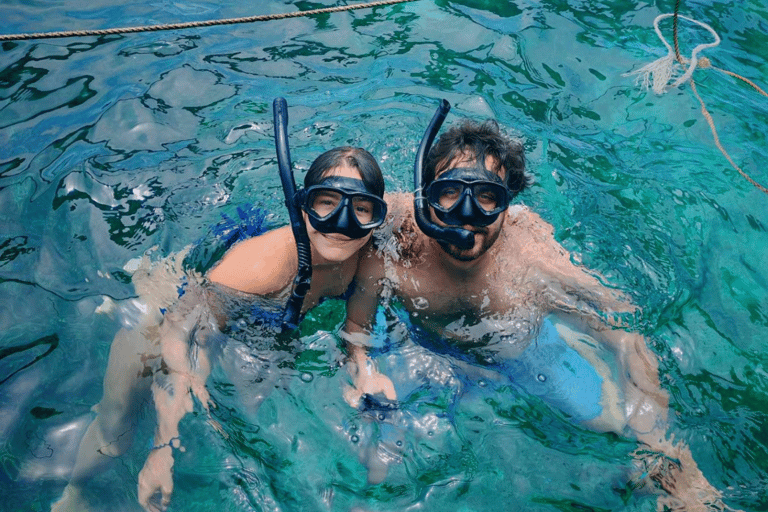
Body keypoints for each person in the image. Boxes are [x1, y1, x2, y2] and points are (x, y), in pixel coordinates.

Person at [343, 105, 729, 510]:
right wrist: (363, 369)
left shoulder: (533, 256)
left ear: (508, 204)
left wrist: (658, 434)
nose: (467, 215)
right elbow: (356, 327)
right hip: (420, 348)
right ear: (427, 197)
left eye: (487, 197)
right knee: (376, 467)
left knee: (616, 425)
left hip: (517, 349)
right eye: (450, 193)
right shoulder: (397, 235)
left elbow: (624, 328)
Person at [52, 143, 388, 512]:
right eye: (327, 202)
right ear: (302, 207)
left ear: (377, 215)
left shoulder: (367, 259)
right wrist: (163, 449)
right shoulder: (261, 266)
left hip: (251, 321)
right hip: (171, 316)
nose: (343, 223)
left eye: (361, 208)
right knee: (116, 425)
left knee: (249, 415)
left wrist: (364, 370)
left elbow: (357, 330)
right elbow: (182, 340)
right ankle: (75, 492)